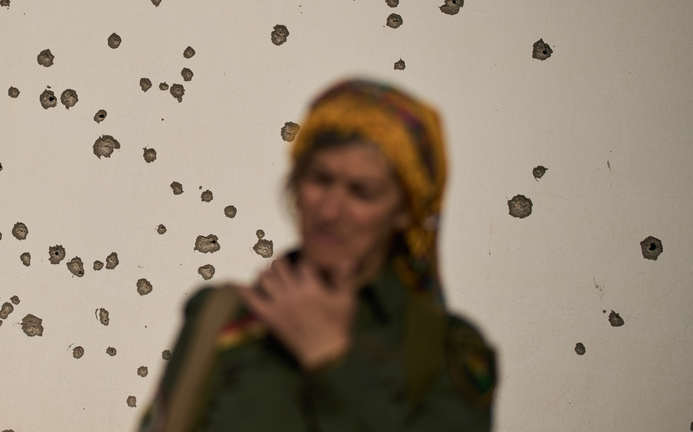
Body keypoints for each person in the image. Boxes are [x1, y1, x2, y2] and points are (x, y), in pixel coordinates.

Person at [139, 79, 497, 432]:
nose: (329, 210)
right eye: (319, 179)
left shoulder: (442, 351)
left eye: (362, 192)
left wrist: (333, 362)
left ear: (405, 210)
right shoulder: (221, 318)